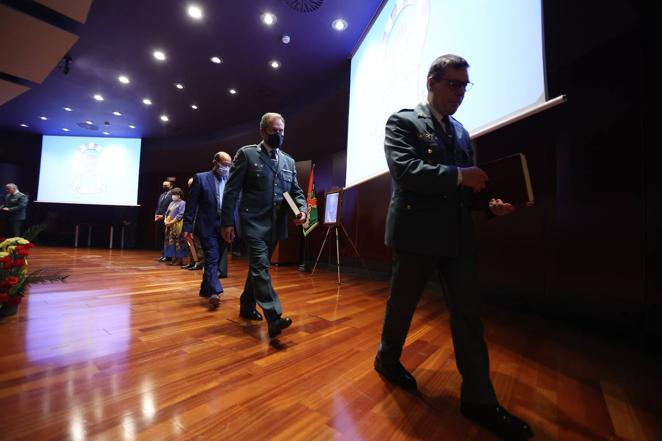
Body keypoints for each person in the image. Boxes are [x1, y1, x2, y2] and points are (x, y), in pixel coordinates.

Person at [375, 55, 533, 440]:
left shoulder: (462, 133)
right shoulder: (403, 121)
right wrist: (461, 176)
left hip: (458, 237)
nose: (460, 93)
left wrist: (493, 208)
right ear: (432, 81)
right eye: (453, 84)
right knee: (402, 305)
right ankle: (387, 358)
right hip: (416, 234)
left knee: (468, 316)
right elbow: (407, 172)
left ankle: (479, 400)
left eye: (465, 86)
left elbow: (469, 193)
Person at [221, 112, 307, 339]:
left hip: (276, 225)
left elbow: (295, 191)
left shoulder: (288, 161)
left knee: (258, 268)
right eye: (274, 131)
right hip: (252, 222)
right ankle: (274, 316)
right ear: (262, 131)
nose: (279, 135)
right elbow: (231, 191)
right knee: (261, 266)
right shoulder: (247, 154)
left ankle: (246, 305)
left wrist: (302, 210)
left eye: (282, 131)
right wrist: (227, 222)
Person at [183, 152, 232, 310]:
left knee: (216, 260)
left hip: (225, 226)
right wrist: (188, 227)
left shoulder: (231, 180)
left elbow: (236, 202)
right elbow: (191, 205)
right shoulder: (201, 178)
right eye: (224, 163)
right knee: (212, 257)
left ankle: (205, 288)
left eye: (229, 164)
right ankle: (215, 292)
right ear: (215, 162)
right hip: (207, 226)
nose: (226, 167)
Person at [181, 177, 204, 271]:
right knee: (190, 244)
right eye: (189, 185)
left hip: (198, 224)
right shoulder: (190, 196)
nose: (190, 187)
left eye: (192, 185)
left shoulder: (201, 197)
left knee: (198, 245)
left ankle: (199, 263)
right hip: (190, 224)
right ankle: (192, 261)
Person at [163, 187, 188, 266]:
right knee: (171, 242)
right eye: (172, 194)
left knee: (178, 242)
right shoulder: (171, 203)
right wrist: (165, 221)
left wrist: (171, 222)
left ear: (179, 195)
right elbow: (167, 213)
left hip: (177, 226)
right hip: (169, 226)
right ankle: (173, 258)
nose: (173, 196)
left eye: (175, 194)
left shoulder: (182, 203)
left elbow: (180, 214)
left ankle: (179, 260)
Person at [155, 180, 173, 262]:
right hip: (159, 219)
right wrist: (156, 215)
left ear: (171, 186)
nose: (164, 187)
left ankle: (168, 256)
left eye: (166, 185)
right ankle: (163, 255)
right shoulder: (162, 195)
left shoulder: (172, 196)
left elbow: (171, 208)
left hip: (167, 219)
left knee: (167, 239)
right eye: (163, 185)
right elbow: (158, 207)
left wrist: (163, 216)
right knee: (162, 239)